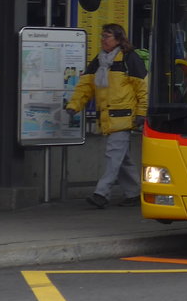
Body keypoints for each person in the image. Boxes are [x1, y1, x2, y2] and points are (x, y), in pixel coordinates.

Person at [61, 24, 148, 209]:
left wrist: (142, 113)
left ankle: (101, 193)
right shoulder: (100, 61)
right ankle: (134, 193)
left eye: (107, 36)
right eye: (102, 36)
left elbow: (143, 89)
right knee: (121, 158)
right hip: (109, 117)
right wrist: (73, 105)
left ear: (118, 39)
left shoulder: (129, 59)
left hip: (123, 117)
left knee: (113, 155)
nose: (103, 40)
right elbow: (86, 86)